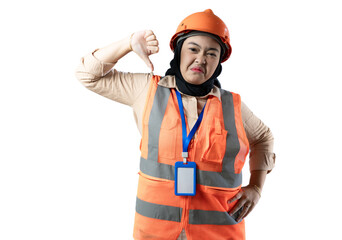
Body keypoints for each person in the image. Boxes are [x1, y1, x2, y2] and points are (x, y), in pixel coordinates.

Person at [75, 9, 275, 240]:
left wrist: (257, 187)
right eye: (193, 49)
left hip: (218, 233)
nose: (201, 58)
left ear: (219, 62)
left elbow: (263, 138)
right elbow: (87, 75)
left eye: (211, 53)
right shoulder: (147, 90)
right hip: (155, 233)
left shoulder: (232, 105)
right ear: (179, 51)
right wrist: (129, 43)